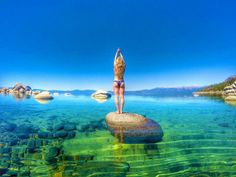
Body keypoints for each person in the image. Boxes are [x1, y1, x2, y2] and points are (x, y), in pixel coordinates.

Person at [113, 48, 126, 114]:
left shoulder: (115, 66)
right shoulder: (124, 66)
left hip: (115, 81)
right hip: (122, 82)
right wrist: (121, 53)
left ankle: (118, 111)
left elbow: (114, 59)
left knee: (116, 97)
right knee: (122, 97)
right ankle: (121, 111)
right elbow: (123, 60)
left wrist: (117, 52)